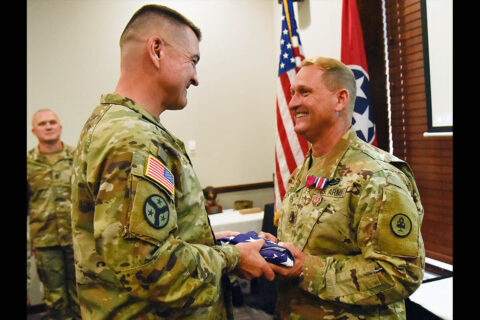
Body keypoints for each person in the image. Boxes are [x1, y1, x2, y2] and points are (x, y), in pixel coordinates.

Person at [71, 4, 274, 319]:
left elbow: (132, 244)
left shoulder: (111, 124)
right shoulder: (135, 141)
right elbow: (151, 268)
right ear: (156, 50)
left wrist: (212, 243)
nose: (195, 78)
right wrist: (233, 258)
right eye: (192, 61)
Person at [262, 57, 425, 319]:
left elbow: (401, 273)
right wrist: (276, 248)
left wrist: (306, 269)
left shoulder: (378, 177)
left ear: (340, 100)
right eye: (292, 93)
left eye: (305, 92)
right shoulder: (301, 174)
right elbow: (311, 246)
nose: (292, 103)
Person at [27, 109, 81, 319]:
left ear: (60, 127)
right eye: (42, 124)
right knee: (55, 298)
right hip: (45, 242)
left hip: (76, 238)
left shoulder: (77, 157)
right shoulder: (29, 163)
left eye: (52, 122)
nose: (48, 126)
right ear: (34, 131)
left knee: (81, 293)